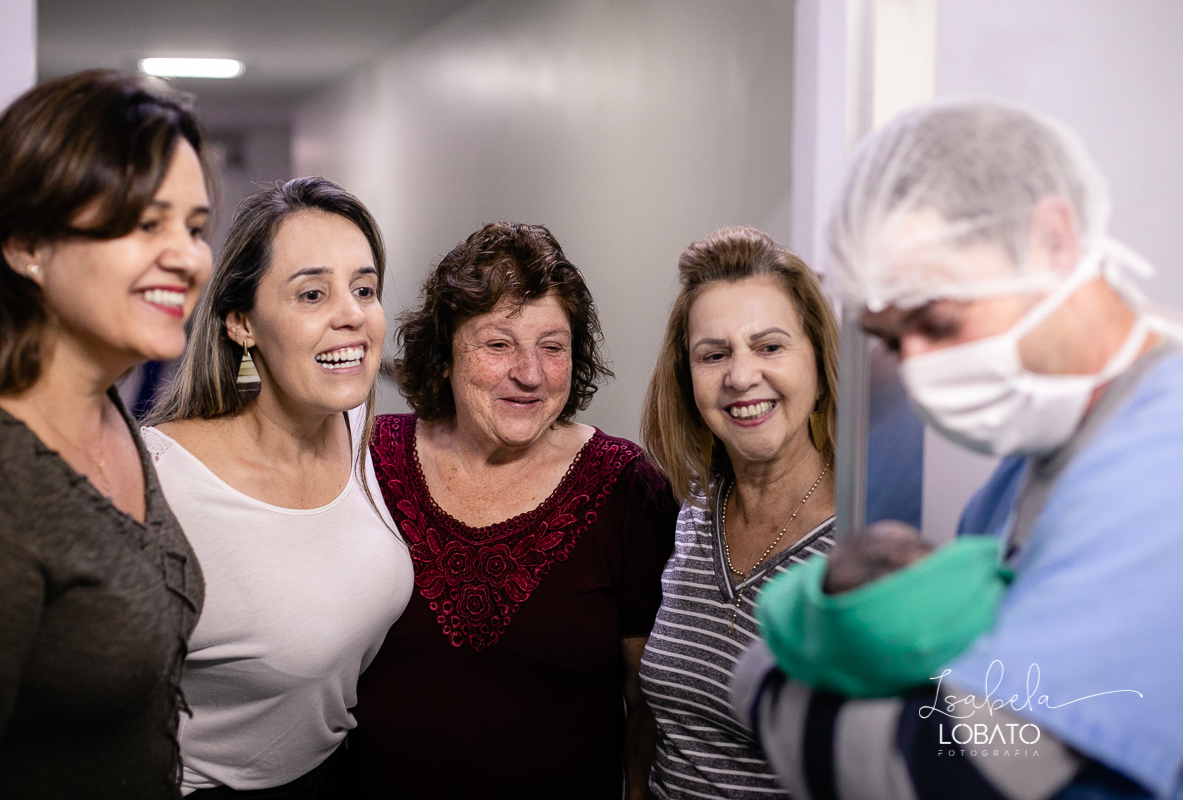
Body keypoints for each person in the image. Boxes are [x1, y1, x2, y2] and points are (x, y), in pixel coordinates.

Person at [732, 99, 1183, 800]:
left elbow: (947, 768)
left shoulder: (1163, 456)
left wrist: (762, 684)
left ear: (1055, 243)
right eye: (888, 341)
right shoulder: (1035, 462)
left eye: (937, 322)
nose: (915, 368)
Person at [348, 221, 678, 799]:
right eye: (498, 345)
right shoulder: (369, 460)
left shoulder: (627, 487)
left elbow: (645, 698)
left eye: (552, 348)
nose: (529, 374)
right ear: (445, 354)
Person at [143, 177, 413, 797]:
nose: (351, 314)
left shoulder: (362, 435)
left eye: (364, 289)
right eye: (312, 293)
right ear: (242, 323)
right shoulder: (160, 479)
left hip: (341, 773)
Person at [0, 70, 212, 798]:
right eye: (147, 223)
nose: (188, 256)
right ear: (27, 245)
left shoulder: (108, 407)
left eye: (196, 227)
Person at [636, 226, 839, 799]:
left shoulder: (857, 541)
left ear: (819, 367)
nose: (741, 376)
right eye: (714, 354)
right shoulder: (694, 509)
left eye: (770, 346)